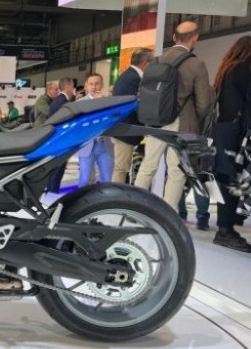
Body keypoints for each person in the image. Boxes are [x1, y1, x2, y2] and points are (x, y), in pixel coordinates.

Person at [134, 21, 212, 210]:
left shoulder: (156, 61)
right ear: (195, 38)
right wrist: (195, 119)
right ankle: (167, 212)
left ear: (174, 37)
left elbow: (142, 92)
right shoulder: (196, 64)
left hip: (156, 120)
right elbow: (204, 103)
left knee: (148, 165)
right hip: (182, 122)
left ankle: (134, 207)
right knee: (176, 170)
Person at [211, 35, 251, 252]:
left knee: (225, 179)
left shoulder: (227, 69)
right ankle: (225, 230)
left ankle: (226, 228)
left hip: (222, 130)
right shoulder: (242, 70)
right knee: (231, 181)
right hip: (235, 133)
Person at [111, 48, 153, 183]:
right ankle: (116, 194)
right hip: (126, 132)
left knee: (122, 167)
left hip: (123, 129)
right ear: (145, 62)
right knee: (121, 168)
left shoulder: (128, 75)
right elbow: (136, 105)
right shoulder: (133, 78)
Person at [77, 73, 114, 186]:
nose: (94, 87)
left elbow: (111, 119)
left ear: (102, 85)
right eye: (91, 84)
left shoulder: (108, 101)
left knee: (107, 179)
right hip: (87, 145)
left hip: (105, 145)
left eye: (97, 84)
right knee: (85, 179)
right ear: (86, 86)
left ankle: (104, 198)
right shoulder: (79, 103)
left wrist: (101, 103)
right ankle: (82, 198)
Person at [46, 77, 76, 193]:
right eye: (72, 86)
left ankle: (50, 193)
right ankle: (52, 194)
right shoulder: (63, 103)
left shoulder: (57, 101)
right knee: (58, 170)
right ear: (68, 87)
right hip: (60, 142)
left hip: (55, 140)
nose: (73, 89)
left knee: (55, 170)